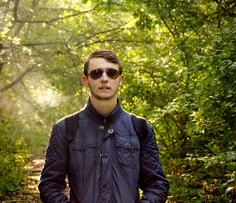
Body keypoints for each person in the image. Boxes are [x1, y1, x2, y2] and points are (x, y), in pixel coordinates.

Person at [38, 49, 169, 203]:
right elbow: (49, 184)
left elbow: (157, 184)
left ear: (120, 80)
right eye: (96, 73)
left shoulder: (141, 128)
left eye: (111, 73)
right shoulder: (65, 128)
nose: (104, 78)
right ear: (86, 80)